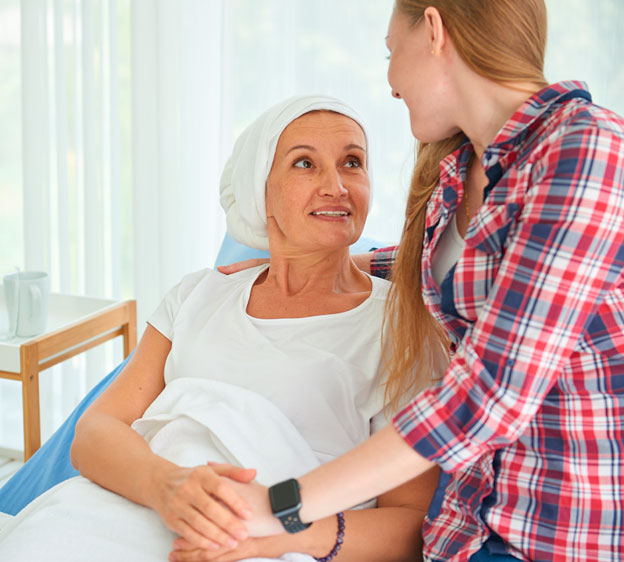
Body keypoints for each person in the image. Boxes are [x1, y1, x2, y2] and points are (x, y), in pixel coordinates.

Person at [209, 2, 624, 562]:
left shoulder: (587, 147)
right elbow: (439, 268)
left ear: (432, 31)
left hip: (556, 533)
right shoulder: (459, 172)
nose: (388, 80)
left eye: (389, 51)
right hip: (462, 529)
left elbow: (489, 394)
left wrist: (282, 507)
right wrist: (325, 266)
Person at [0, 95, 438, 562]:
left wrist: (278, 532)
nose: (336, 185)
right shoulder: (200, 294)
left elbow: (412, 526)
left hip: (274, 541)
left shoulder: (403, 324)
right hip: (130, 512)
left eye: (353, 162)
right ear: (259, 190)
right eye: (305, 164)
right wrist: (166, 488)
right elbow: (96, 431)